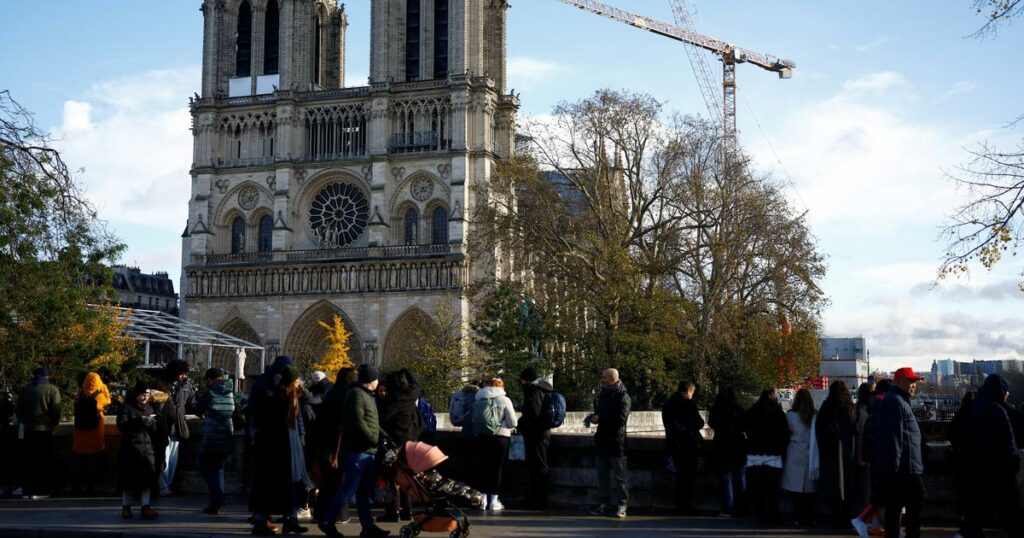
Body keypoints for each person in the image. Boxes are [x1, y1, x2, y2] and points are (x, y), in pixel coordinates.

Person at [319, 364, 390, 538]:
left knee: (362, 492)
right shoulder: (357, 395)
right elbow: (358, 421)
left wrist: (382, 435)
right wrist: (373, 438)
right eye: (376, 378)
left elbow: (370, 420)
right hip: (358, 450)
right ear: (371, 380)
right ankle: (327, 521)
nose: (378, 382)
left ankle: (367, 526)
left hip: (366, 450)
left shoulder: (365, 395)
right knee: (348, 489)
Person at [963, 374, 1022, 537]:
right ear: (1000, 391)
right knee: (1012, 513)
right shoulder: (997, 410)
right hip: (1000, 469)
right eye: (1006, 391)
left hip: (981, 466)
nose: (1008, 394)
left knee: (977, 511)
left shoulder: (977, 406)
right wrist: (1014, 462)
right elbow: (1008, 442)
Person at [248, 356, 300, 535]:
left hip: (275, 439)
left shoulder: (268, 382)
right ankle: (262, 522)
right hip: (269, 440)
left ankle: (286, 518)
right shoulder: (267, 386)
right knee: (267, 482)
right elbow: (270, 410)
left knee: (279, 482)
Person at [876, 367, 925, 538]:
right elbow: (893, 439)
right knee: (911, 506)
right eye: (910, 381)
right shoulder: (896, 402)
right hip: (905, 468)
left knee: (896, 509)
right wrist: (893, 470)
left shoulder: (898, 400)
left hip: (906, 466)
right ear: (898, 382)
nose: (914, 385)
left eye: (915, 382)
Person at [377, 368, 424, 521]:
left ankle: (393, 511)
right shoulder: (411, 394)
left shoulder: (394, 400)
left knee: (392, 477)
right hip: (411, 440)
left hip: (395, 442)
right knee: (407, 477)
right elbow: (415, 384)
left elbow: (383, 418)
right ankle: (407, 510)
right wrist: (407, 372)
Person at [314, 367, 357, 524]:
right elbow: (340, 427)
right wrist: (336, 453)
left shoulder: (331, 393)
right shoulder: (346, 395)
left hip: (325, 444)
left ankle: (320, 513)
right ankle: (339, 515)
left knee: (328, 483)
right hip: (337, 446)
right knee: (338, 483)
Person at [586, 368, 632, 519]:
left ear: (613, 378)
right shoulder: (603, 394)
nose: (602, 378)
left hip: (617, 442)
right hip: (603, 440)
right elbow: (600, 413)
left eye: (604, 376)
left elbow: (621, 419)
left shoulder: (623, 396)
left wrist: (600, 418)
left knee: (620, 477)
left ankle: (622, 505)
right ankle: (604, 504)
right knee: (602, 475)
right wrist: (592, 417)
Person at [851, 378, 893, 538]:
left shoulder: (863, 409)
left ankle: (870, 523)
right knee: (875, 495)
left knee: (873, 495)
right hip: (872, 458)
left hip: (867, 457)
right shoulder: (872, 410)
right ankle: (867, 522)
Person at [741, 389, 789, 524]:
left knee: (758, 484)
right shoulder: (778, 413)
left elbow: (744, 425)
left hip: (755, 452)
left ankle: (761, 513)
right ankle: (774, 513)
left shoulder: (752, 411)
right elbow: (784, 434)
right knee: (772, 486)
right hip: (772, 453)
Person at [472, 377, 518, 511]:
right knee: (496, 468)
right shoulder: (504, 399)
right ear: (501, 387)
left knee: (483, 467)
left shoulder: (479, 399)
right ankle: (494, 500)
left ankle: (483, 500)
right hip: (500, 437)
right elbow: (513, 422)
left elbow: (474, 419)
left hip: (482, 437)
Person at [16, 366, 61, 499]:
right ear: (47, 377)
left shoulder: (25, 389)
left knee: (29, 462)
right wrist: (53, 423)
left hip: (29, 430)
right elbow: (56, 410)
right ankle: (42, 491)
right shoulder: (52, 390)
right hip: (45, 430)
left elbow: (19, 410)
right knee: (44, 461)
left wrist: (26, 421)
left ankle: (28, 490)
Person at [194, 367, 235, 515]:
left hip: (212, 435)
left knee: (203, 466)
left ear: (211, 379)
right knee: (219, 467)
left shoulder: (209, 393)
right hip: (227, 434)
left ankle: (219, 496)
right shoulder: (231, 391)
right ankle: (215, 504)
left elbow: (198, 410)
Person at [117, 381, 160, 520]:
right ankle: (126, 507)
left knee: (147, 480)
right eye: (142, 395)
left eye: (147, 395)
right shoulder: (126, 408)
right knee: (127, 481)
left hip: (146, 449)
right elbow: (122, 425)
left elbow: (154, 431)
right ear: (136, 396)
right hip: (130, 449)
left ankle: (146, 507)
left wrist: (153, 423)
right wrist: (139, 421)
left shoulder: (150, 409)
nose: (145, 398)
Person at [816, 380, 856, 528]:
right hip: (847, 453)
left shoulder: (825, 408)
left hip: (830, 454)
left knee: (834, 488)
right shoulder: (850, 408)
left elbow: (819, 431)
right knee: (847, 487)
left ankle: (836, 518)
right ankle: (846, 517)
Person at [661, 380, 705, 515]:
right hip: (688, 445)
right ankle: (685, 505)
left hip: (673, 444)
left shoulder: (668, 404)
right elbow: (699, 423)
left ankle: (678, 504)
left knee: (679, 477)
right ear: (689, 391)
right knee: (687, 477)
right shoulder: (688, 404)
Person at [518, 367, 555, 510]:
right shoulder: (543, 388)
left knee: (537, 465)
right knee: (539, 464)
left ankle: (538, 499)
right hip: (542, 431)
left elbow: (533, 412)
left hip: (536, 432)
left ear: (526, 379)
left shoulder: (534, 390)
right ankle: (539, 498)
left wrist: (522, 421)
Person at [707, 386, 746, 517]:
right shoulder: (739, 410)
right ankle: (741, 507)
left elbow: (711, 423)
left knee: (725, 476)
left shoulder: (716, 410)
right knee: (740, 476)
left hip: (722, 445)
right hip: (738, 446)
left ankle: (727, 507)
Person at [781, 388, 818, 527]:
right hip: (810, 453)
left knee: (795, 488)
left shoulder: (790, 416)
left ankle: (797, 517)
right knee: (810, 489)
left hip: (794, 452)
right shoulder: (814, 416)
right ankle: (810, 517)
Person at [71, 372, 112, 497]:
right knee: (92, 463)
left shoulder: (79, 394)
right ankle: (90, 487)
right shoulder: (98, 397)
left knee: (79, 463)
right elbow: (108, 400)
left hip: (80, 435)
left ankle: (77, 487)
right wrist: (104, 386)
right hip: (94, 434)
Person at [160, 359, 196, 496]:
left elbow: (192, 403)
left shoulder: (186, 386)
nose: (183, 376)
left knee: (173, 460)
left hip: (178, 426)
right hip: (164, 425)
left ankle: (167, 485)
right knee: (165, 458)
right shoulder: (162, 384)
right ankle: (163, 486)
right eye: (181, 373)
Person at [947, 391, 975, 538]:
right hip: (972, 460)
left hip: (960, 458)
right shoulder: (976, 415)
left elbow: (950, 432)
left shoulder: (961, 414)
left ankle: (963, 525)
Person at [449, 381, 481, 484]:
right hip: (478, 435)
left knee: (463, 463)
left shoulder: (458, 396)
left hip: (464, 434)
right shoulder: (480, 396)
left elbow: (454, 418)